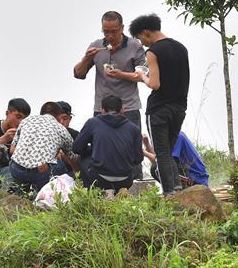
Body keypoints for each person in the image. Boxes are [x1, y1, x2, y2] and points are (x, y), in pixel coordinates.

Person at [73, 11, 147, 179]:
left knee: (131, 150)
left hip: (128, 107)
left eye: (114, 31)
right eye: (106, 31)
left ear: (121, 28)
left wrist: (121, 74)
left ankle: (135, 184)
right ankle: (100, 183)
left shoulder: (135, 45)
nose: (110, 36)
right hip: (102, 109)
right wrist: (86, 58)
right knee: (99, 149)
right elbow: (78, 74)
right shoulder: (97, 46)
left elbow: (144, 75)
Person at [129, 13, 190, 196]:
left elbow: (154, 84)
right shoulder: (181, 47)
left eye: (140, 39)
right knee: (169, 150)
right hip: (179, 107)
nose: (142, 43)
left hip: (159, 109)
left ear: (146, 32)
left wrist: (142, 76)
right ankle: (178, 189)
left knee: (162, 152)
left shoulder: (153, 52)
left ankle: (169, 192)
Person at [72, 95, 143, 191]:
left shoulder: (93, 123)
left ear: (102, 110)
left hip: (99, 178)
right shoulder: (134, 128)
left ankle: (93, 195)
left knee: (82, 158)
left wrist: (94, 150)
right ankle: (121, 194)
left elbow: (76, 148)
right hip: (125, 180)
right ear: (122, 110)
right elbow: (138, 158)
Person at [9, 102, 76, 193]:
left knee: (21, 178)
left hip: (16, 169)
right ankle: (49, 194)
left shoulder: (26, 121)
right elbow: (73, 158)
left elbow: (12, 150)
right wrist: (78, 175)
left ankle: (19, 192)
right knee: (60, 166)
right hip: (41, 172)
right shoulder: (61, 129)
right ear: (59, 117)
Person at [143, 132, 210, 187]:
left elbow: (163, 162)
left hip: (196, 179)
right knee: (156, 168)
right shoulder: (171, 137)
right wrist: (147, 143)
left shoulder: (176, 137)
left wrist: (144, 152)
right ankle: (176, 190)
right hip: (188, 175)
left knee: (156, 168)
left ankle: (176, 190)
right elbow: (157, 161)